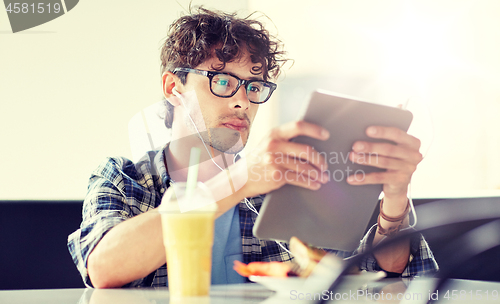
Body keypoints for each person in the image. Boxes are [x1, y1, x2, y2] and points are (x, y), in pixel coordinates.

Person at [68, 7, 438, 288]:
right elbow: (103, 267)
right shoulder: (124, 179)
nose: (243, 101)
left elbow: (372, 280)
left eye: (254, 87)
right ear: (173, 87)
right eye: (223, 81)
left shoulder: (286, 187)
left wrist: (393, 200)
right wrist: (240, 181)